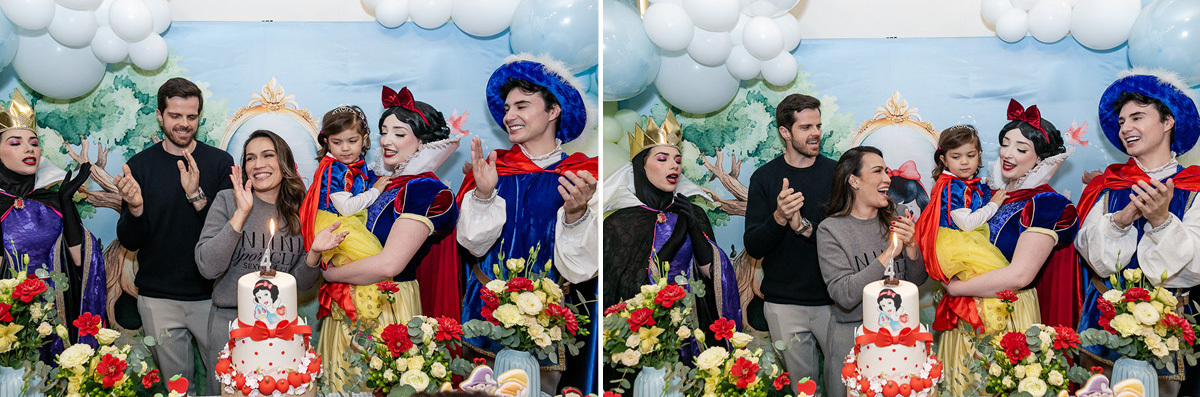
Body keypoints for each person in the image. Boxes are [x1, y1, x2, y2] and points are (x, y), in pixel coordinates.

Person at [457, 54, 599, 394]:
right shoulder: (493, 171)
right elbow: (472, 245)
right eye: (506, 108)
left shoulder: (581, 176)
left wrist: (578, 214)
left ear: (554, 111)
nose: (510, 116)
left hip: (554, 322)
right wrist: (484, 195)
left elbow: (583, 268)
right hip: (484, 317)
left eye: (522, 106)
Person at [318, 87, 461, 392]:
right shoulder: (378, 182)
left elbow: (389, 264)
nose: (386, 141)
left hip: (388, 307)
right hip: (346, 304)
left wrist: (329, 274)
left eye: (399, 133)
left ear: (422, 141)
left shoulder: (424, 191)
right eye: (384, 132)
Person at [939, 99, 1079, 395]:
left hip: (1007, 316)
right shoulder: (988, 192)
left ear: (1040, 158)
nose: (1008, 154)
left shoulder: (1046, 204)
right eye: (1005, 144)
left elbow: (1020, 276)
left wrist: (954, 289)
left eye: (1021, 148)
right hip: (966, 313)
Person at [1076, 71, 1200, 396]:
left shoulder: (1194, 187)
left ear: (1168, 121)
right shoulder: (1109, 185)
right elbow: (1095, 259)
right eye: (1120, 121)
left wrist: (1162, 222)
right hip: (1102, 327)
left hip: (1170, 329)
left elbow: (1194, 269)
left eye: (1137, 117)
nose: (1125, 128)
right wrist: (1119, 221)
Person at [194, 129, 344, 393]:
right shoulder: (227, 201)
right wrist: (241, 214)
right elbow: (208, 267)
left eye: (267, 155)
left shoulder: (300, 210)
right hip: (230, 324)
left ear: (283, 162)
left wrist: (314, 253)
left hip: (282, 331)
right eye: (250, 158)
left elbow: (303, 286)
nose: (258, 164)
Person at [114, 77, 234, 394]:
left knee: (226, 384)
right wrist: (136, 208)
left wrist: (196, 197)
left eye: (191, 117)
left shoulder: (220, 163)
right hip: (158, 301)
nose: (184, 124)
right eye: (175, 116)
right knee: (178, 389)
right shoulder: (139, 166)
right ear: (160, 115)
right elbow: (130, 241)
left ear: (199, 116)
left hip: (214, 299)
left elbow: (226, 235)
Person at [601, 111, 741, 359]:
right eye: (663, 158)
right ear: (641, 167)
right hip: (646, 336)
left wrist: (691, 223)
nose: (674, 165)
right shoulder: (619, 224)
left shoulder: (693, 212)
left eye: (677, 159)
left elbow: (714, 274)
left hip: (694, 327)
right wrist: (678, 234)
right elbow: (633, 289)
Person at [742, 93, 836, 392]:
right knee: (805, 390)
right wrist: (780, 217)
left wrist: (804, 226)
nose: (816, 133)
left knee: (846, 385)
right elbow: (755, 246)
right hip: (784, 305)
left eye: (818, 126)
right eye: (806, 127)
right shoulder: (765, 178)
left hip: (836, 304)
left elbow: (846, 235)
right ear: (785, 132)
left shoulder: (837, 174)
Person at [816, 146, 928, 397]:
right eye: (877, 171)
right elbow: (844, 294)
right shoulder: (831, 230)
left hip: (901, 343)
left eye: (886, 171)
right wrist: (889, 253)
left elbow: (917, 281)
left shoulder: (898, 216)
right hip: (853, 341)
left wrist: (910, 246)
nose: (888, 178)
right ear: (853, 181)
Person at [0, 89, 106, 352]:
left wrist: (67, 204)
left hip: (58, 322)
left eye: (34, 143)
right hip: (10, 327)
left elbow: (81, 262)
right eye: (15, 143)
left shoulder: (52, 199)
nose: (29, 149)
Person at [915, 125, 1012, 335]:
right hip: (957, 243)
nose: (965, 162)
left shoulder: (959, 182)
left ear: (979, 155)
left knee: (977, 291)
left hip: (961, 240)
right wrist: (993, 205)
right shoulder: (953, 187)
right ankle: (988, 331)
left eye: (970, 155)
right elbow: (966, 224)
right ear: (943, 159)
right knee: (988, 285)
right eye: (956, 156)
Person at [299, 104, 388, 269]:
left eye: (352, 141)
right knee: (372, 262)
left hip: (350, 221)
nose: (345, 148)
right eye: (337, 142)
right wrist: (375, 190)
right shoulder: (335, 170)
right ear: (327, 142)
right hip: (337, 225)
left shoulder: (357, 166)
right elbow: (346, 208)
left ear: (365, 138)